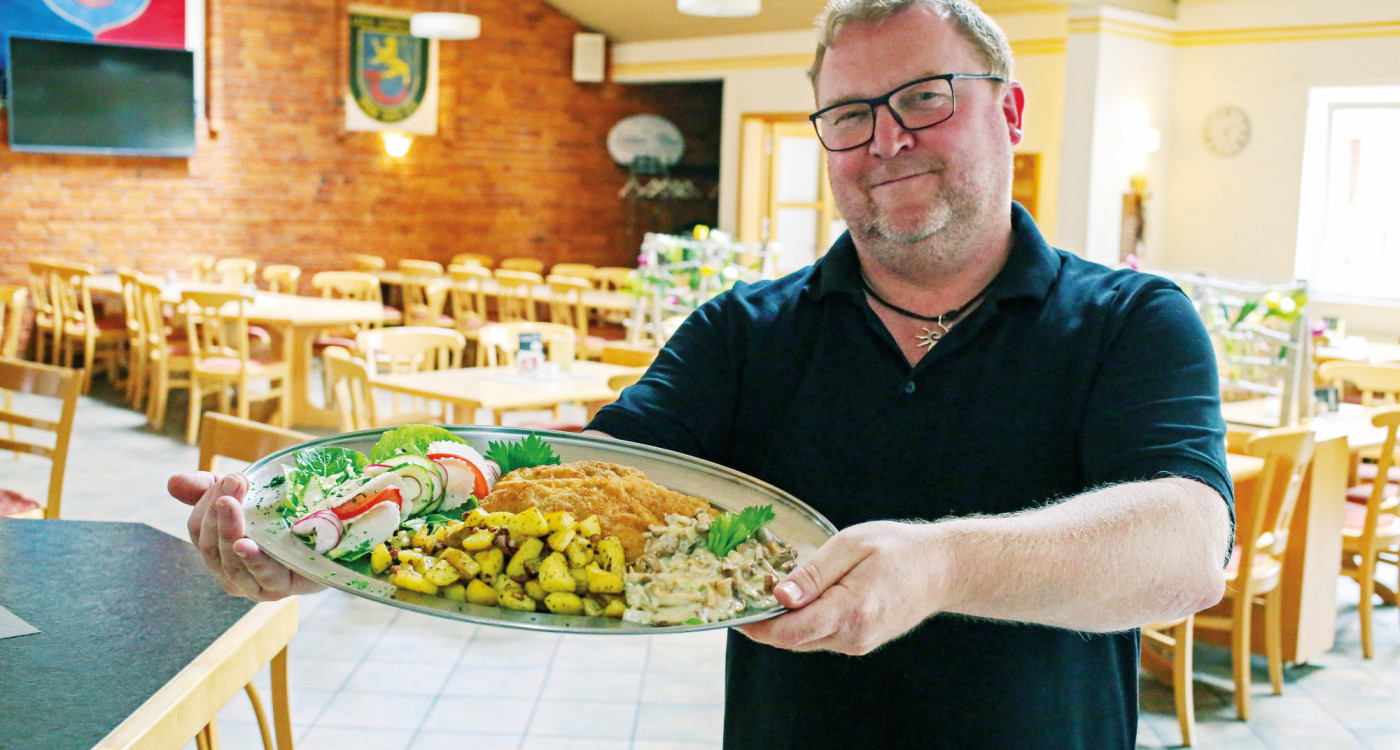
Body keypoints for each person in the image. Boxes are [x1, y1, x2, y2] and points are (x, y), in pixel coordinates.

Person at [170, 1, 1234, 747]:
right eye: (848, 116)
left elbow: (1187, 550)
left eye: (922, 99)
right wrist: (332, 534)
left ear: (1005, 111)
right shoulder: (745, 332)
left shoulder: (1130, 320)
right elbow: (564, 481)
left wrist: (943, 565)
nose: (884, 141)